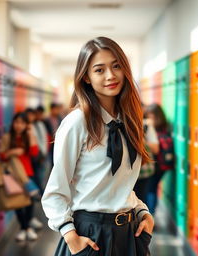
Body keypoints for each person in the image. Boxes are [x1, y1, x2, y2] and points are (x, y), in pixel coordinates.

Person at [41, 37, 154, 256]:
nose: (111, 76)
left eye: (116, 66)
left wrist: (143, 212)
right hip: (90, 235)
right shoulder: (77, 122)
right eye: (99, 70)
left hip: (130, 234)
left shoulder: (129, 121)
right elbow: (55, 191)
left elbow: (120, 184)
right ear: (86, 77)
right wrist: (70, 235)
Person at [0, 112, 39, 241]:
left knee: (30, 201)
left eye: (22, 123)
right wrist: (12, 152)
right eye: (17, 122)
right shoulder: (7, 137)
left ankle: (26, 228)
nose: (19, 125)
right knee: (17, 202)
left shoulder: (28, 137)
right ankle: (24, 228)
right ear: (13, 123)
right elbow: (1, 156)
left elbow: (34, 152)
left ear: (26, 125)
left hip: (28, 174)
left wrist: (30, 133)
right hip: (14, 175)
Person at [145, 103, 174, 214]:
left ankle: (150, 214)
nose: (150, 119)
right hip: (161, 165)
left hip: (157, 165)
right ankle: (151, 213)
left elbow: (155, 149)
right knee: (152, 188)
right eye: (148, 116)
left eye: (151, 116)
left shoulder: (154, 129)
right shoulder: (163, 128)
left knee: (151, 189)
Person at [133, 105, 159, 203]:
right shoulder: (118, 123)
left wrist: (140, 140)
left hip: (143, 171)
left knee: (141, 199)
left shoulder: (146, 125)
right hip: (124, 172)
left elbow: (156, 149)